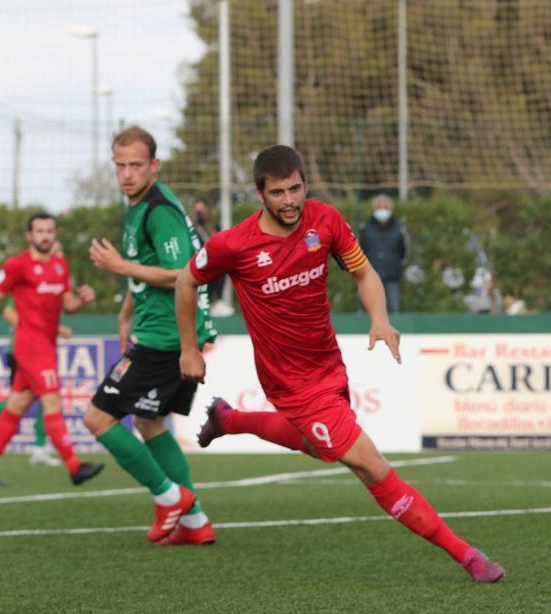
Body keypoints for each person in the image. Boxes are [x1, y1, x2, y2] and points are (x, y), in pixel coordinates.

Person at [175, 145, 503, 583]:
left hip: (329, 366)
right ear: (260, 194)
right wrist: (189, 348)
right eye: (278, 192)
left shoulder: (324, 221)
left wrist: (380, 320)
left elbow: (364, 272)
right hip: (290, 383)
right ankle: (468, 556)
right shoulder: (234, 245)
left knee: (317, 448)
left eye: (296, 188)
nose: (289, 200)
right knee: (372, 465)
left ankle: (228, 418)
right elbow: (186, 279)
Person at [85, 125, 218, 546]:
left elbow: (183, 273)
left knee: (98, 418)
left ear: (154, 166)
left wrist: (121, 268)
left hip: (166, 336)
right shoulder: (138, 206)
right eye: (120, 165)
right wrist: (126, 313)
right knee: (149, 421)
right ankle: (195, 523)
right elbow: (146, 270)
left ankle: (169, 497)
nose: (127, 173)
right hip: (160, 330)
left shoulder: (158, 209)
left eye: (136, 165)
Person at [0, 212, 103, 487]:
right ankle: (75, 467)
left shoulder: (60, 266)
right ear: (29, 235)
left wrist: (82, 300)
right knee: (52, 401)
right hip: (30, 346)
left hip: (47, 346)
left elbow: (68, 305)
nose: (45, 236)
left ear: (54, 234)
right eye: (39, 231)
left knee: (17, 405)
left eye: (49, 231)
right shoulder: (17, 265)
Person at [0, 300, 69, 467]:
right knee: (39, 397)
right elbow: (9, 313)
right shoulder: (25, 286)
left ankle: (39, 448)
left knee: (38, 398)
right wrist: (56, 330)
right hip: (24, 350)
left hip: (34, 350)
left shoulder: (44, 288)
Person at [356, 193, 408, 313]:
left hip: (392, 275)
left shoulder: (399, 228)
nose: (382, 211)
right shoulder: (365, 228)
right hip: (369, 275)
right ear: (374, 209)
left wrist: (396, 263)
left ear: (391, 209)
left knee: (393, 308)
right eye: (380, 208)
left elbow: (404, 251)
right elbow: (359, 249)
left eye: (385, 208)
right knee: (367, 307)